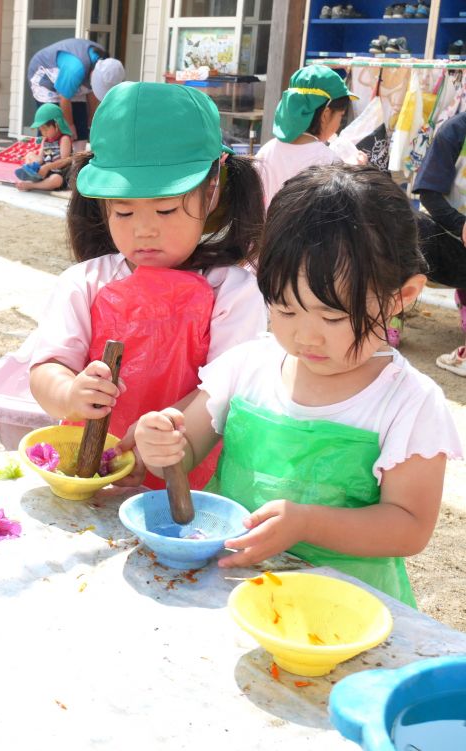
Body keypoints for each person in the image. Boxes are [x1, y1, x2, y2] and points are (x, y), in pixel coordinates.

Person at [132, 164, 462, 607]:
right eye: (285, 309)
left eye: (332, 316)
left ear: (402, 295)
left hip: (345, 612)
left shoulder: (409, 402)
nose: (306, 336)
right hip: (237, 592)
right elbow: (184, 448)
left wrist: (306, 523)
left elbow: (409, 526)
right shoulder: (249, 365)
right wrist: (161, 443)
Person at [27, 82, 267, 490]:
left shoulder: (234, 291)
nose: (144, 230)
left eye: (166, 208)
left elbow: (226, 391)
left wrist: (161, 437)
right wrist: (69, 392)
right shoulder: (85, 282)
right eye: (123, 210)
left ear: (212, 191)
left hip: (191, 482)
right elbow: (45, 369)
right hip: (92, 478)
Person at [254, 64, 358, 208]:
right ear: (326, 114)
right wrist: (353, 173)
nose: (339, 124)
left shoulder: (266, 151)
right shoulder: (329, 161)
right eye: (341, 116)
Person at [412, 109, 466, 376]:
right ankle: (392, 316)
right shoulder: (454, 131)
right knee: (410, 227)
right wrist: (461, 224)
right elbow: (429, 194)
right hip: (450, 237)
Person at [27, 38, 125, 140]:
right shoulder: (76, 69)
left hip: (71, 74)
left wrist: (91, 121)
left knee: (81, 122)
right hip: (44, 74)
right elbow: (64, 99)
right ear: (94, 75)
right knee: (53, 123)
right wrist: (69, 127)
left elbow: (92, 92)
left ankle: (76, 150)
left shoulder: (104, 61)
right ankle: (46, 151)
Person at [14, 102, 73, 193]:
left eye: (45, 129)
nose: (43, 133)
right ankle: (32, 175)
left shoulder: (64, 139)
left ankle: (32, 185)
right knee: (30, 155)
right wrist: (32, 164)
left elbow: (65, 160)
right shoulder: (45, 140)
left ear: (56, 126)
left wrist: (47, 167)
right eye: (41, 130)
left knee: (56, 179)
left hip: (60, 174)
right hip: (45, 171)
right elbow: (41, 159)